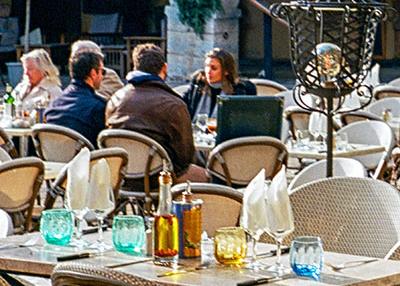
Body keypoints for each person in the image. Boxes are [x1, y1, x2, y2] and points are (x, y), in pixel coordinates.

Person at [105, 43, 208, 182]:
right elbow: (186, 158)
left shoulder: (115, 99)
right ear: (164, 68)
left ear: (135, 66)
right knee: (210, 177)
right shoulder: (174, 105)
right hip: (160, 178)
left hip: (121, 176)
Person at [45, 48, 108, 147]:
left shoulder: (53, 105)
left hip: (54, 160)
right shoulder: (98, 106)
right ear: (93, 73)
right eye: (102, 72)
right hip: (85, 160)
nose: (103, 76)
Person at [181, 47, 256, 121]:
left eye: (213, 68)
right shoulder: (198, 83)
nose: (208, 71)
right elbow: (181, 105)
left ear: (226, 71)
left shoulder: (239, 90)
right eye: (207, 66)